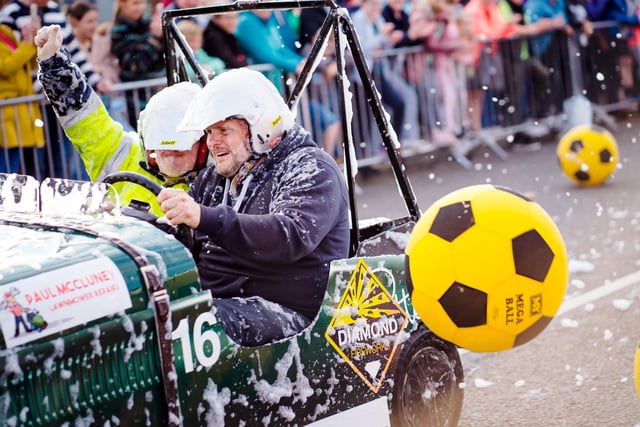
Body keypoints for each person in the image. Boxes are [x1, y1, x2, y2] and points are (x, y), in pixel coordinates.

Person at [156, 68, 350, 346]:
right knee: (146, 315)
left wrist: (204, 217)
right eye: (209, 132)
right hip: (224, 299)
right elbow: (185, 241)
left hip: (289, 313)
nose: (213, 142)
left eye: (224, 130)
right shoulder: (215, 179)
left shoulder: (311, 167)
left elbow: (290, 236)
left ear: (261, 128)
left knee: (189, 327)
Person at [35, 24, 208, 216]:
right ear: (149, 146)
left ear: (202, 146)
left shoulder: (218, 182)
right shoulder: (121, 155)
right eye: (163, 152)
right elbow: (85, 119)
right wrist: (55, 64)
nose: (171, 159)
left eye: (180, 152)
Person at [0, 0, 105, 180]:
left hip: (59, 100)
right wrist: (43, 85)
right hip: (32, 104)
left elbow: (71, 49)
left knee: (60, 159)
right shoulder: (11, 12)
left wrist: (95, 81)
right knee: (32, 163)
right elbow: (18, 62)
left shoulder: (54, 9)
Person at [111, 0, 165, 128]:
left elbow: (165, 57)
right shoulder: (119, 31)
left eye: (141, 3)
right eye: (134, 3)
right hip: (138, 102)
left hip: (159, 95)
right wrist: (155, 38)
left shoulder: (149, 25)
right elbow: (136, 65)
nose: (139, 7)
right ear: (122, 4)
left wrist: (164, 34)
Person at [0, 21, 44, 174]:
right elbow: (4, 68)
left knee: (11, 168)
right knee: (4, 168)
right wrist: (26, 46)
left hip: (18, 113)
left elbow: (26, 64)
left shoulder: (5, 32)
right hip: (5, 113)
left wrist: (31, 41)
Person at [201, 0, 247, 69]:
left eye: (235, 17)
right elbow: (231, 62)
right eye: (228, 18)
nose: (233, 22)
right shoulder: (212, 36)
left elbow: (241, 57)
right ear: (216, 19)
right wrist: (241, 61)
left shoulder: (228, 34)